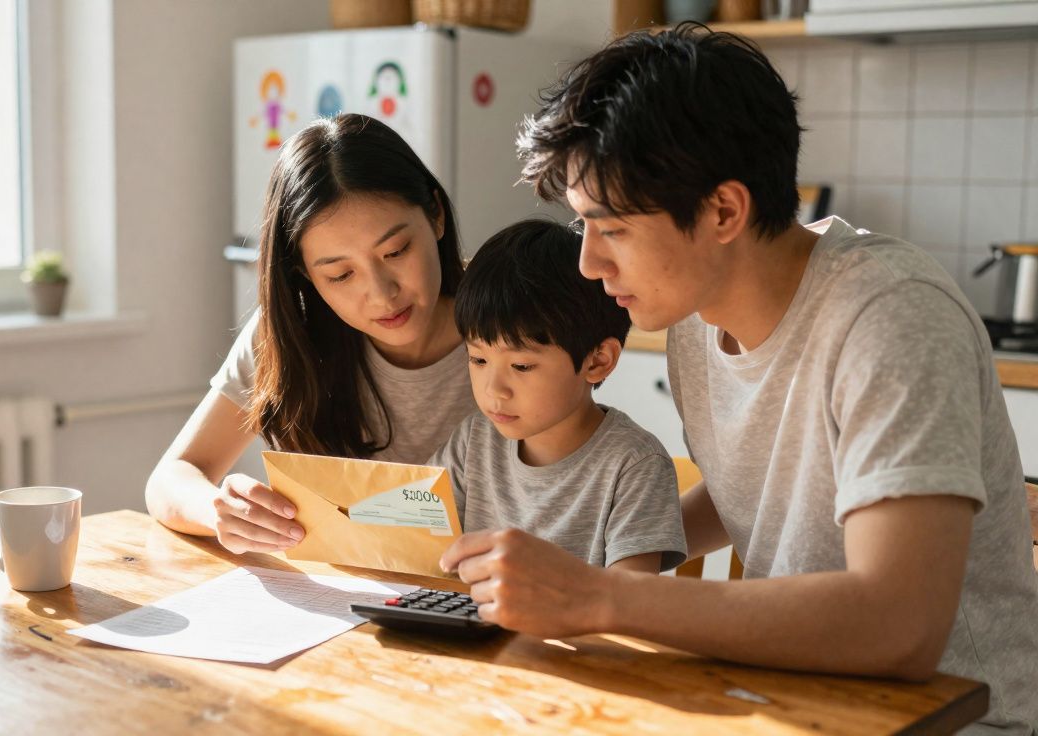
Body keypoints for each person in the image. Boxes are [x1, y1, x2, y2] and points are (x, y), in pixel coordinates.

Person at [439, 24, 1038, 733]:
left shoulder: (891, 317)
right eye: (582, 229)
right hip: (786, 692)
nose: (589, 265)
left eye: (614, 230)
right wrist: (599, 549)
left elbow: (898, 629)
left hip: (949, 716)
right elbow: (767, 484)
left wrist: (599, 596)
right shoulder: (695, 320)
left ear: (724, 210)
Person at [146, 114, 478, 557]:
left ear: (435, 215)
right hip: (348, 604)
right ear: (305, 274)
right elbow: (172, 476)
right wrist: (218, 510)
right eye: (341, 275)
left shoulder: (512, 323)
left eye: (396, 251)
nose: (381, 295)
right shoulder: (290, 332)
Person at [428, 219, 685, 573]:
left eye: (520, 366)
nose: (493, 389)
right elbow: (420, 546)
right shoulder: (473, 442)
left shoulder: (633, 466)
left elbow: (632, 602)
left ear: (597, 361)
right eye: (479, 359)